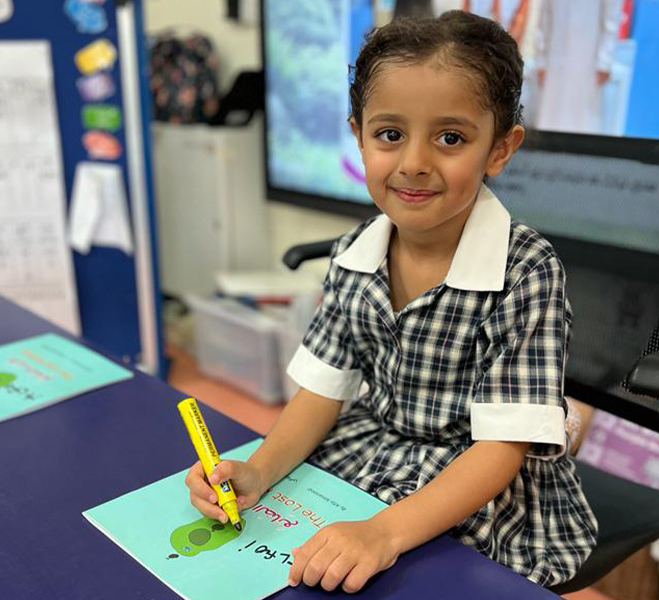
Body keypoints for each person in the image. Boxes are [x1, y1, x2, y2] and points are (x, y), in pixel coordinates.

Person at [184, 10, 596, 592]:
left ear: (500, 150)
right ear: (359, 135)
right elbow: (321, 392)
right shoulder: (354, 251)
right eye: (390, 134)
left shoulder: (526, 270)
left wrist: (382, 532)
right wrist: (258, 470)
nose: (413, 163)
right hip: (372, 449)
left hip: (473, 484)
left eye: (450, 138)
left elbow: (499, 452)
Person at [533, 0, 623, 133]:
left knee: (583, 118)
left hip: (588, 58)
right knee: (551, 114)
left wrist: (605, 60)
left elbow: (611, 19)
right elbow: (545, 17)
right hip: (555, 56)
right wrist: (541, 58)